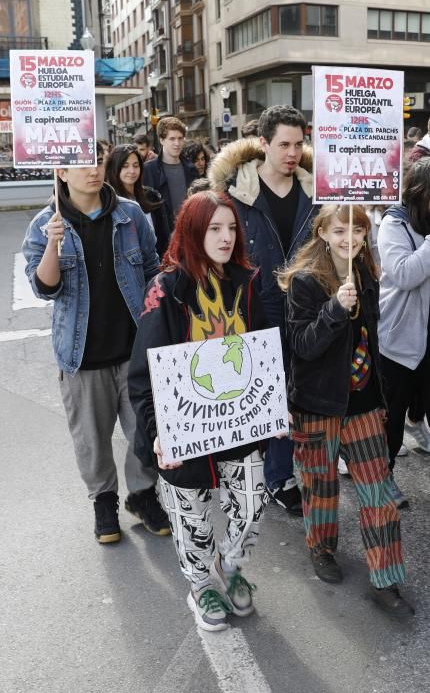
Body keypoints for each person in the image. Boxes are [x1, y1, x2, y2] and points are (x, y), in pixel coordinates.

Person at [128, 191, 270, 631]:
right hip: (183, 429)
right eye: (214, 228)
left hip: (241, 423)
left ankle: (229, 566)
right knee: (191, 519)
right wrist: (156, 432)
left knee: (251, 505)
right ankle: (201, 584)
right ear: (193, 231)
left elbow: (263, 353)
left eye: (231, 228)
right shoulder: (166, 289)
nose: (226, 237)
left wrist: (274, 406)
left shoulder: (247, 281)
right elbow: (144, 372)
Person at [22, 142, 170, 544]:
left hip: (134, 349)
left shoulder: (131, 214)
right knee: (91, 438)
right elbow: (43, 287)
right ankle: (103, 501)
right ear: (61, 173)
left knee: (145, 430)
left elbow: (154, 268)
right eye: (80, 164)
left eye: (97, 160)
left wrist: (162, 320)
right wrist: (52, 244)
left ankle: (142, 495)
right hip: (81, 355)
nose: (93, 170)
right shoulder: (44, 223)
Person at [278, 203, 413, 619]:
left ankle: (386, 578)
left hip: (364, 405)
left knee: (379, 495)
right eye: (339, 231)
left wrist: (384, 398)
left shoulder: (369, 273)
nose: (348, 239)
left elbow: (371, 341)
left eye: (356, 231)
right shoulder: (304, 282)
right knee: (320, 490)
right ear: (321, 232)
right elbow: (303, 346)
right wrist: (335, 307)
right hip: (317, 406)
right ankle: (321, 548)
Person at [209, 104, 318, 517]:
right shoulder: (234, 195)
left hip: (306, 304)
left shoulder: (315, 191)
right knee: (263, 395)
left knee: (297, 389)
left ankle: (283, 471)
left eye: (298, 144)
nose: (292, 152)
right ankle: (274, 476)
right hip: (255, 306)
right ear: (263, 144)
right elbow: (218, 251)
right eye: (284, 144)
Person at [378, 157, 430, 506]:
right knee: (391, 419)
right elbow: (404, 274)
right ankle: (384, 477)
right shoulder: (393, 224)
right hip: (398, 340)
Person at [105, 143, 170, 258]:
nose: (132, 171)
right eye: (125, 166)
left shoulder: (152, 196)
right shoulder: (107, 201)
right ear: (115, 168)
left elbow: (164, 238)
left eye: (136, 165)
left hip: (155, 265)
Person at [143, 116, 199, 236]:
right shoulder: (148, 170)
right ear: (162, 140)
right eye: (172, 139)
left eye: (180, 138)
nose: (177, 143)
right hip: (161, 236)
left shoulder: (191, 169)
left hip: (190, 232)